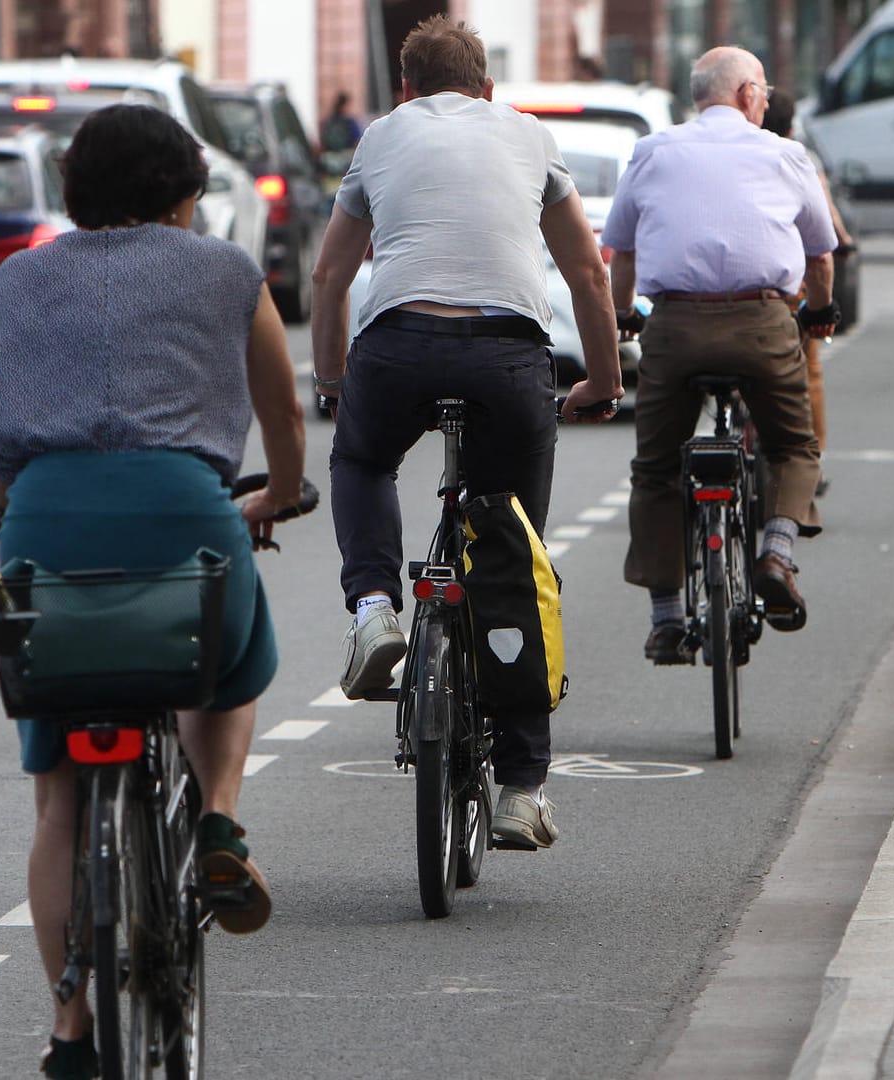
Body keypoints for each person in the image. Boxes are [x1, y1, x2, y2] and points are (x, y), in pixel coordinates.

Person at [0, 104, 305, 1080]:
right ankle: (219, 818)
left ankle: (71, 1031)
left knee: (58, 807)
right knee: (234, 663)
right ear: (180, 198)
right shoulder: (228, 273)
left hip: (44, 520)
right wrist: (275, 497)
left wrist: (16, 510)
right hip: (186, 512)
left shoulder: (20, 278)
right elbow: (282, 404)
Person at [309, 15, 621, 850]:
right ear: (488, 89)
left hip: (399, 343)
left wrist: (334, 381)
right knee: (512, 552)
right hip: (509, 355)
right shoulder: (528, 136)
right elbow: (587, 270)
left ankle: (375, 610)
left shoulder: (381, 136)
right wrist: (605, 378)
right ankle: (522, 788)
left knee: (366, 460)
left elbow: (332, 272)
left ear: (405, 88)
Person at [601, 46, 837, 664]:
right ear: (745, 95)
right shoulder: (786, 154)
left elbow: (620, 252)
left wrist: (625, 315)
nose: (764, 99)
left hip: (674, 328)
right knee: (794, 445)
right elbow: (820, 256)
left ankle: (666, 619)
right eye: (762, 89)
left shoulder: (653, 152)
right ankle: (778, 553)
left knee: (655, 470)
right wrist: (819, 311)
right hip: (762, 323)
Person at [761, 89, 853, 498]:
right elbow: (826, 215)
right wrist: (844, 241)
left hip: (737, 289)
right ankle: (810, 461)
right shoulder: (798, 157)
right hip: (790, 288)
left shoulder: (744, 154)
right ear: (791, 125)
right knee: (807, 370)